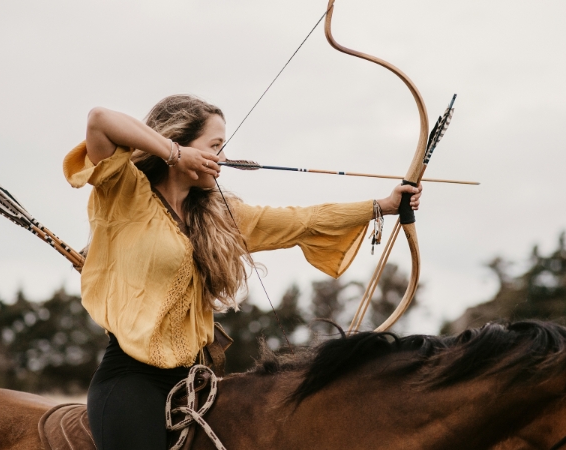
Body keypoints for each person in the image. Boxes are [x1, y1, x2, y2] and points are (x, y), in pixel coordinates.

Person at [63, 94, 422, 450]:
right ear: (180, 143)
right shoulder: (125, 191)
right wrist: (174, 153)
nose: (223, 159)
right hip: (130, 382)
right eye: (215, 146)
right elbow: (100, 119)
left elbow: (303, 220)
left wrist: (384, 205)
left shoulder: (219, 217)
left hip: (195, 384)